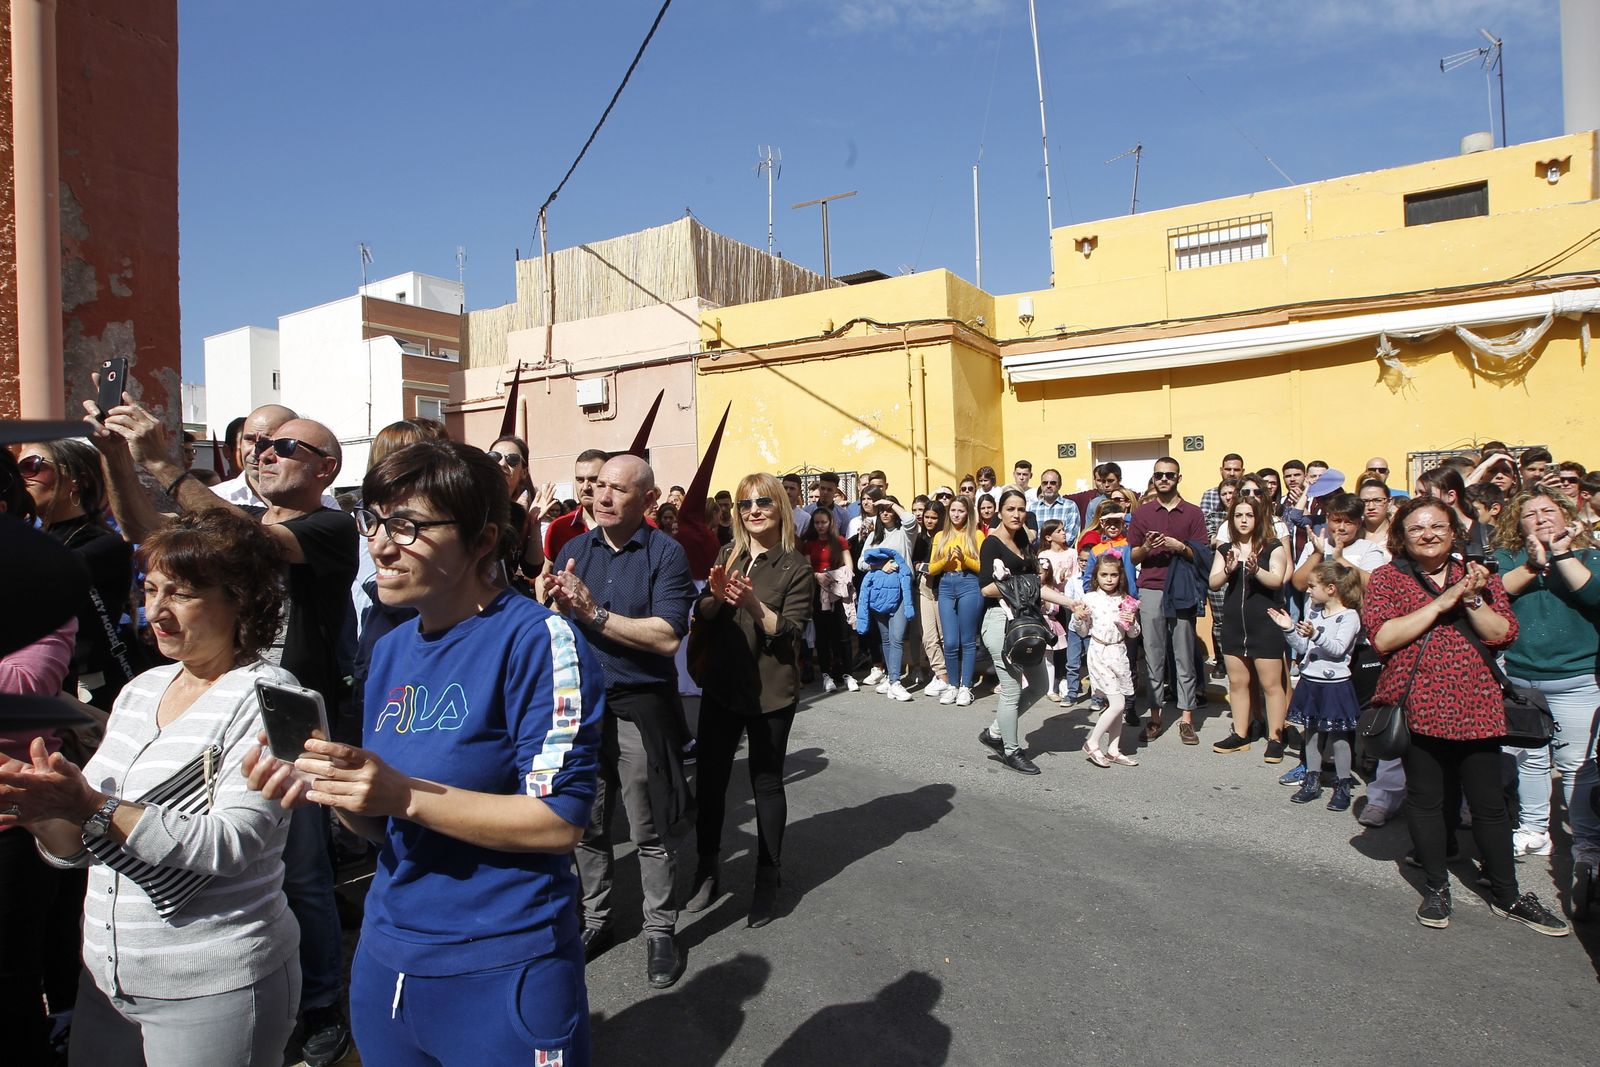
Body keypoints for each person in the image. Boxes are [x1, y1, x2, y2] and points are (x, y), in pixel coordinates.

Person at [247, 440, 606, 1064]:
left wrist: (402, 793)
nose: (381, 546)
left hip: (504, 964)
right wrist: (334, 788)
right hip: (389, 959)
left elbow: (558, 822)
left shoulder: (539, 641)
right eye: (376, 521)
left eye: (408, 526)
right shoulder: (389, 648)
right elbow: (387, 826)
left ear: (483, 538)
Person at [91, 396, 360, 1062]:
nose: (261, 451)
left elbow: (243, 542)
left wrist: (163, 460)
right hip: (203, 702)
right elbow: (152, 533)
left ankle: (321, 1001)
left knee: (301, 872)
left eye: (283, 446)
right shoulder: (233, 518)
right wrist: (118, 462)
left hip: (280, 718)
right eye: (257, 442)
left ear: (326, 466)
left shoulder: (331, 525)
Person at [1, 510, 302, 1066]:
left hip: (211, 983)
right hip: (108, 979)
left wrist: (89, 804)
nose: (155, 612)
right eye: (150, 589)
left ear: (243, 600)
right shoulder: (142, 688)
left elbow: (228, 845)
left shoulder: (272, 697)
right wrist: (36, 806)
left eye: (181, 595)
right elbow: (84, 846)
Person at [1362, 497, 1567, 935]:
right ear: (1402, 536)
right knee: (1426, 800)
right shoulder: (1387, 578)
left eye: (1437, 526)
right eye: (1416, 528)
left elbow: (1502, 635)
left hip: (1477, 702)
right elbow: (1383, 638)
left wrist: (1472, 599)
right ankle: (1436, 887)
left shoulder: (1477, 576)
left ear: (1455, 532)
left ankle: (1507, 893)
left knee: (1490, 805)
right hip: (1417, 702)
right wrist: (1440, 604)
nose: (1428, 534)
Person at [545, 453, 697, 988]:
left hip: (638, 706)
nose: (602, 497)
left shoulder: (666, 554)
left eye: (618, 490)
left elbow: (666, 636)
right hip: (582, 708)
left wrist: (594, 614)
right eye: (598, 487)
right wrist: (553, 608)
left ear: (648, 500)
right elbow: (561, 626)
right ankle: (597, 920)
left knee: (647, 826)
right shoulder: (572, 550)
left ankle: (660, 929)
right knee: (586, 823)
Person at [684, 475, 815, 928]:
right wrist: (715, 599)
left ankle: (767, 876)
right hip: (722, 686)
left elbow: (791, 632)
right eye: (744, 504)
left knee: (766, 784)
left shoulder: (794, 566)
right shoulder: (728, 553)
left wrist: (756, 606)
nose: (753, 510)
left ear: (779, 507)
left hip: (770, 692)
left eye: (763, 502)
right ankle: (706, 869)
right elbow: (701, 611)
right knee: (710, 782)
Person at [1491, 487, 1600, 884]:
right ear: (1517, 524)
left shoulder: (1589, 555)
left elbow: (1593, 593)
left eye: (1547, 511)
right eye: (1529, 514)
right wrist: (1534, 565)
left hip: (1576, 679)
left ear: (1566, 513)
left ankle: (1586, 843)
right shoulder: (1510, 558)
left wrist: (1561, 555)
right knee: (1529, 760)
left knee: (1577, 766)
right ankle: (1535, 829)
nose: (1540, 518)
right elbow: (1493, 593)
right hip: (1522, 677)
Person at [16, 439, 137, 711]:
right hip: (39, 680)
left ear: (75, 481)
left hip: (90, 688)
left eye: (31, 466)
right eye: (16, 469)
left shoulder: (106, 544)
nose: (22, 478)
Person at [975, 490, 1079, 775]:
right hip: (1000, 621)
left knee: (1039, 685)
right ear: (999, 511)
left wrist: (1070, 602)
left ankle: (995, 731)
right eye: (1010, 509)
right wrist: (1021, 583)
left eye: (1021, 509)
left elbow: (1036, 585)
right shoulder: (992, 544)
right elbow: (986, 587)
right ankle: (1011, 750)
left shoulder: (1023, 540)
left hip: (1026, 621)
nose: (1016, 514)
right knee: (1010, 689)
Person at [1128, 457, 1209, 746]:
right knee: (1153, 654)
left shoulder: (1194, 513)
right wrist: (1147, 547)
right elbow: (1133, 555)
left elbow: (1202, 553)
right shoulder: (1143, 513)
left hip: (1182, 589)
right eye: (1159, 475)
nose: (1164, 479)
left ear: (1178, 477)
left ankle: (1187, 719)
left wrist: (1180, 547)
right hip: (1151, 587)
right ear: (1154, 477)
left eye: (1169, 475)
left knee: (1184, 653)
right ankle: (1155, 716)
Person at [1270, 561, 1364, 809]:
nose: (1308, 591)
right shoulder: (1314, 612)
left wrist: (1315, 635)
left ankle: (1342, 784)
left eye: (1312, 586)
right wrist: (1289, 629)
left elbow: (1337, 650)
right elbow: (1304, 649)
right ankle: (1312, 780)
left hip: (1335, 686)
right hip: (1311, 681)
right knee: (1310, 734)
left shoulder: (1349, 616)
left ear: (1331, 588)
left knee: (1339, 738)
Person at [1208, 496, 1291, 759]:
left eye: (1249, 515)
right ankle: (1241, 734)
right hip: (1234, 624)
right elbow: (1213, 581)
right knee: (1238, 682)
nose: (1243, 520)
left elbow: (1277, 580)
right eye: (1238, 515)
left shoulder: (1272, 546)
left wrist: (1255, 570)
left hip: (1265, 623)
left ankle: (1275, 737)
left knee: (1271, 684)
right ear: (1231, 519)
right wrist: (1230, 570)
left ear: (1258, 518)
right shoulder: (1226, 550)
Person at [1073, 554, 1141, 767]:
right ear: (1096, 576)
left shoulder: (1125, 600)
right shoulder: (1090, 598)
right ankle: (1092, 742)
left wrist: (1131, 623)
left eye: (1113, 575)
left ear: (1120, 576)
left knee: (1119, 705)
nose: (1109, 579)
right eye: (1104, 575)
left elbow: (1133, 634)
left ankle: (1113, 748)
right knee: (1117, 702)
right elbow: (1083, 632)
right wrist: (1079, 619)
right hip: (1100, 652)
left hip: (1119, 653)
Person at [855, 498, 916, 702]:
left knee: (897, 637)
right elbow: (861, 562)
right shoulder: (873, 535)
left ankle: (896, 682)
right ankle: (891, 679)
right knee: (887, 639)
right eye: (882, 510)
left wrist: (890, 503)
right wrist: (880, 566)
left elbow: (910, 520)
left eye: (889, 510)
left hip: (901, 590)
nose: (885, 513)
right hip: (880, 593)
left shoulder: (904, 534)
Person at [928, 495, 985, 706]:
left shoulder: (976, 535)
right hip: (945, 585)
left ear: (968, 513)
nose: (956, 515)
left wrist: (964, 559)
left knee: (967, 640)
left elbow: (982, 568)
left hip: (969, 584)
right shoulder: (940, 536)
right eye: (953, 510)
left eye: (960, 511)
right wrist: (946, 559)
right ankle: (952, 684)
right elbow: (932, 568)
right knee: (950, 641)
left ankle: (965, 687)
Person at [800, 505, 856, 693]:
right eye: (817, 523)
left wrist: (842, 576)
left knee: (843, 634)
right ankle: (827, 675)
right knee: (822, 636)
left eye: (823, 522)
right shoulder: (810, 543)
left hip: (839, 591)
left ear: (830, 522)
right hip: (819, 592)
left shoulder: (839, 540)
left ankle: (848, 674)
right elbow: (807, 567)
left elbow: (848, 563)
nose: (820, 526)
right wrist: (817, 576)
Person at [1037, 519, 1083, 703]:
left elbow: (1076, 573)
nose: (1064, 533)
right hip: (1050, 601)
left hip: (1069, 599)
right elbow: (1043, 577)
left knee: (1067, 641)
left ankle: (1064, 676)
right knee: (1052, 642)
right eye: (1059, 530)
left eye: (1064, 530)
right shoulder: (1044, 554)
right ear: (1049, 536)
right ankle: (1049, 680)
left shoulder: (1072, 552)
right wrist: (1056, 577)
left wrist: (1067, 577)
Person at [910, 500, 949, 698]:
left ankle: (950, 675)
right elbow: (916, 562)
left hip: (944, 589)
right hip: (924, 588)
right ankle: (941, 674)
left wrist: (929, 567)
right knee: (928, 636)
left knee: (944, 635)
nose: (929, 521)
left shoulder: (947, 537)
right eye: (927, 517)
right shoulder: (920, 538)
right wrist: (925, 567)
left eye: (934, 517)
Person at [1028, 468, 1081, 548]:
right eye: (1045, 483)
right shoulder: (1032, 508)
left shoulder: (1070, 506)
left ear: (1059, 485)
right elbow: (1031, 536)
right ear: (1041, 486)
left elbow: (1070, 537)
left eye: (1052, 483)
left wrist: (1053, 551)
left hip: (1062, 556)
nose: (1048, 486)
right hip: (1037, 555)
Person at [1201, 453, 1247, 531]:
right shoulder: (1210, 494)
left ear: (1242, 471)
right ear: (1221, 470)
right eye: (1228, 469)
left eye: (1236, 470)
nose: (1232, 473)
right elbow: (1204, 524)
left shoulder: (1248, 492)